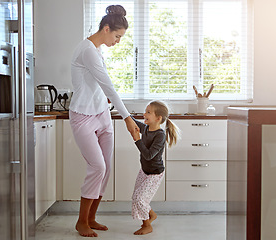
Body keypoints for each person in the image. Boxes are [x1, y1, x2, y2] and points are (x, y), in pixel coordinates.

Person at [69, 5, 138, 238]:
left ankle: (91, 218)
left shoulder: (97, 50)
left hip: (102, 114)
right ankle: (81, 222)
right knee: (97, 166)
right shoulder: (87, 49)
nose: (118, 41)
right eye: (117, 36)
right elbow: (107, 83)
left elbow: (99, 86)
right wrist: (127, 118)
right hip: (83, 116)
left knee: (105, 169)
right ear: (106, 28)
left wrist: (104, 99)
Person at [130, 100, 180, 235]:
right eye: (145, 111)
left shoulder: (160, 135)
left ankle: (147, 225)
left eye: (148, 112)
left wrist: (137, 139)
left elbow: (149, 155)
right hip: (145, 171)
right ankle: (152, 215)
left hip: (154, 174)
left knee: (140, 199)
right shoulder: (146, 128)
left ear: (158, 118)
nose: (144, 114)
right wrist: (125, 115)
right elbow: (133, 122)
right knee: (136, 197)